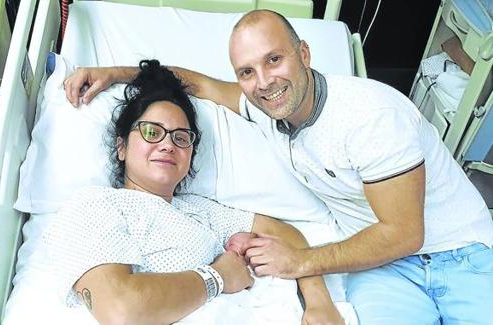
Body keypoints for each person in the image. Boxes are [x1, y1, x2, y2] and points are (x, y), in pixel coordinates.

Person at [63, 9, 493, 324]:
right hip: (382, 266)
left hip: (462, 253)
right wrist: (115, 72)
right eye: (247, 71)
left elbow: (402, 233)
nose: (264, 82)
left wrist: (306, 274)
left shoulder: (370, 116)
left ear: (304, 53)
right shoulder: (266, 110)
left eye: (274, 60)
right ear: (121, 147)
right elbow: (197, 84)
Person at [46, 59, 345, 324]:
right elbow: (121, 311)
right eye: (152, 132)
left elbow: (286, 234)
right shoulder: (95, 205)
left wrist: (319, 301)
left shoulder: (200, 210)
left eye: (180, 137)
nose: (167, 144)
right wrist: (218, 277)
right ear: (122, 147)